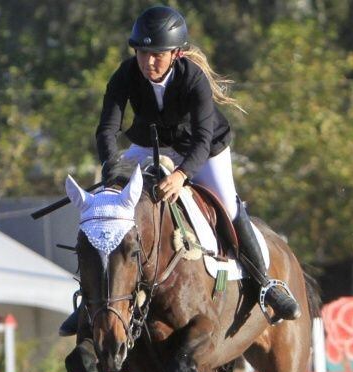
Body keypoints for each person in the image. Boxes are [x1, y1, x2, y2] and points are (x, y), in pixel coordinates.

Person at [59, 5, 300, 336]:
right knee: (111, 205)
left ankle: (266, 283)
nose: (149, 62)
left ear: (177, 53)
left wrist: (181, 175)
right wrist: (111, 166)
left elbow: (202, 139)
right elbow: (106, 129)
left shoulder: (193, 78)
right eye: (143, 53)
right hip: (148, 145)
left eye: (157, 55)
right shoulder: (126, 74)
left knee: (228, 207)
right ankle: (91, 303)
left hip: (202, 149)